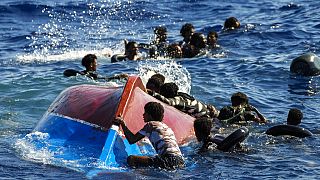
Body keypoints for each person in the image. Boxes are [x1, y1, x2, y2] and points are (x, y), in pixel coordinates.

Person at [113, 102, 185, 169]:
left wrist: (123, 124)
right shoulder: (166, 127)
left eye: (145, 113)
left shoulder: (150, 125)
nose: (143, 115)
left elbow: (132, 140)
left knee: (131, 159)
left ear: (150, 115)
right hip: (180, 161)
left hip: (169, 160)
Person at [148, 82, 219, 118]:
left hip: (208, 118)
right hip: (210, 113)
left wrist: (151, 93)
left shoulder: (178, 99)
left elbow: (168, 102)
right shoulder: (182, 95)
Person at [64, 54, 128, 80]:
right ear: (91, 64)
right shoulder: (92, 74)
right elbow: (105, 79)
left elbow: (66, 72)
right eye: (96, 63)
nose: (97, 64)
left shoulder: (83, 73)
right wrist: (118, 77)